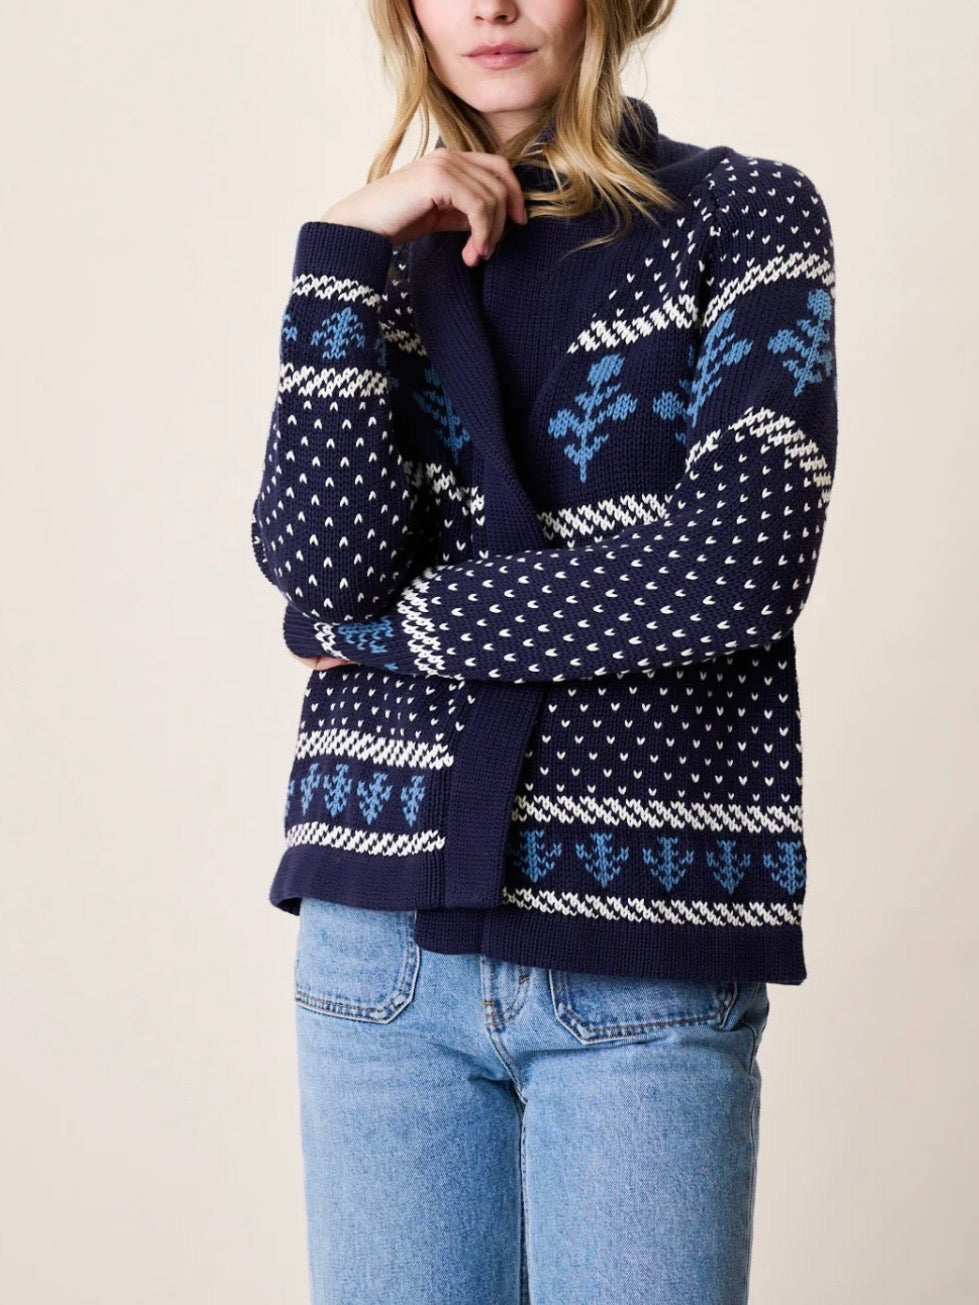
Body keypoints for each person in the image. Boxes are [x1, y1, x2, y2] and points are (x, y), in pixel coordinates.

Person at [249, 2, 839, 1301]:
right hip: (377, 944)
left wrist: (385, 632)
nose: (493, 7)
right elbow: (321, 566)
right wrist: (339, 245)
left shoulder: (745, 218)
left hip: (641, 946)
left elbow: (735, 569)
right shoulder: (379, 260)